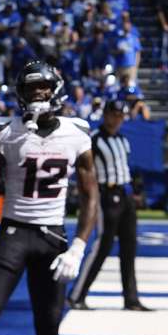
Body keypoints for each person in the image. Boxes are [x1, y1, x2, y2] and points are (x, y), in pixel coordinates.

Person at [0, 62, 98, 335]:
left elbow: (90, 195)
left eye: (44, 88)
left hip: (52, 238)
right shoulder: (7, 133)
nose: (38, 95)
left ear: (57, 90)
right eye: (31, 90)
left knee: (49, 328)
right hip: (15, 233)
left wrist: (79, 245)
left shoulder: (77, 133)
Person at [69, 100, 151, 312]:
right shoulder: (94, 139)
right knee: (102, 247)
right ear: (105, 115)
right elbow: (85, 170)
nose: (117, 120)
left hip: (125, 194)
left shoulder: (123, 139)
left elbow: (125, 167)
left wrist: (135, 191)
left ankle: (131, 299)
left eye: (121, 116)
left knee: (129, 247)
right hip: (106, 194)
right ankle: (77, 295)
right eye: (114, 115)